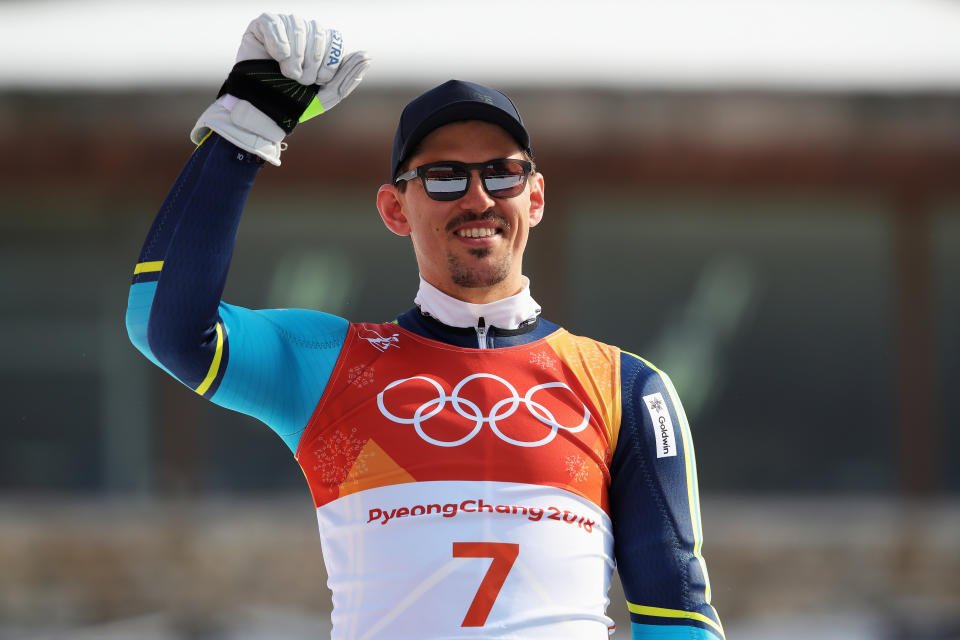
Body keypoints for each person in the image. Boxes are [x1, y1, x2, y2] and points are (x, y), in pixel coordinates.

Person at [125, 13, 724, 640]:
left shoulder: (625, 388)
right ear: (394, 209)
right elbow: (165, 326)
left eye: (502, 173)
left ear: (535, 198)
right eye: (443, 177)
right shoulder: (332, 365)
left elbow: (676, 613)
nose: (478, 197)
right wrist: (246, 126)